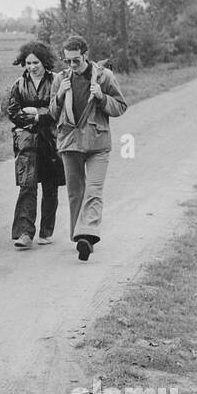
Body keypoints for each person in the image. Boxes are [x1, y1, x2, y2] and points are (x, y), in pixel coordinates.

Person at [48, 36, 127, 262]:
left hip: (97, 144)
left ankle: (88, 234)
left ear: (85, 55)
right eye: (67, 61)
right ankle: (79, 235)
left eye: (75, 60)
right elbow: (52, 113)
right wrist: (61, 94)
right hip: (70, 143)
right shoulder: (60, 79)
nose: (71, 65)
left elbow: (121, 106)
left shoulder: (104, 77)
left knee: (93, 191)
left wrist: (102, 97)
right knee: (75, 193)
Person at [5, 43, 62, 249]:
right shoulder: (19, 84)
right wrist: (35, 119)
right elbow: (12, 112)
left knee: (50, 186)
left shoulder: (57, 81)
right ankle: (24, 233)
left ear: (44, 61)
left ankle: (46, 231)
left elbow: (59, 110)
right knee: (27, 185)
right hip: (27, 141)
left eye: (35, 62)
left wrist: (37, 114)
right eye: (28, 63)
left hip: (52, 141)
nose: (31, 67)